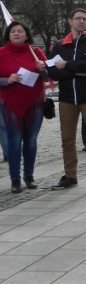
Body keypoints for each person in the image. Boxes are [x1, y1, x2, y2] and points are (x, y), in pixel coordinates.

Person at [47, 8, 86, 191]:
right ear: (70, 21)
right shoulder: (60, 45)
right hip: (67, 97)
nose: (81, 21)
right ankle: (70, 176)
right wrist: (76, 71)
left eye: (84, 19)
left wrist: (67, 66)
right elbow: (52, 70)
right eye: (77, 18)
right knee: (67, 138)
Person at [0, 21, 48, 193]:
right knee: (14, 141)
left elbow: (48, 77)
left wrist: (42, 68)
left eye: (20, 31)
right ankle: (15, 179)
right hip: (10, 104)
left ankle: (29, 176)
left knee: (31, 140)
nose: (17, 34)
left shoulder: (35, 52)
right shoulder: (1, 53)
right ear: (8, 35)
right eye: (13, 31)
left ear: (27, 35)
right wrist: (7, 80)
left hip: (34, 104)